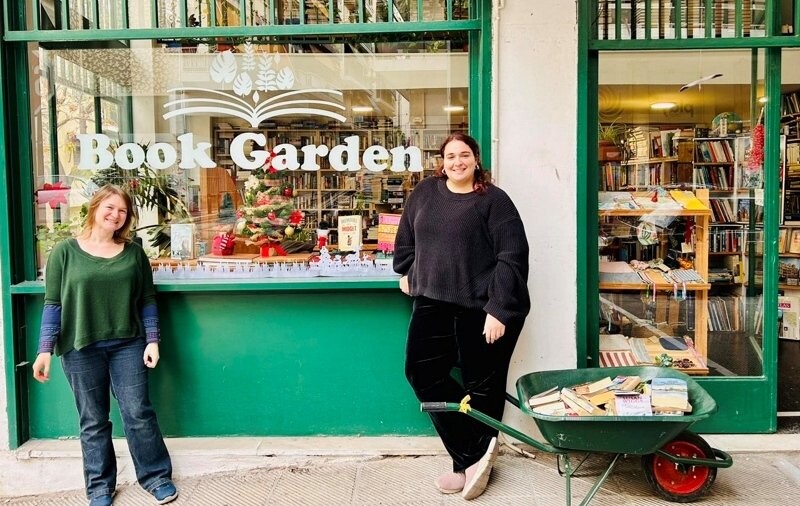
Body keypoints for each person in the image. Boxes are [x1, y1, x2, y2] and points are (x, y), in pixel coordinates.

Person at [393, 133, 530, 500]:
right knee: (422, 372)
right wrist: (408, 271)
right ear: (442, 161)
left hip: (481, 308)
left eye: (464, 155)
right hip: (432, 301)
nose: (457, 162)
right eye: (451, 156)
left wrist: (499, 309)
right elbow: (406, 238)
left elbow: (512, 257)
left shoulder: (494, 201)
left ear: (475, 160)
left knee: (481, 385)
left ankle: (465, 467)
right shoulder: (424, 193)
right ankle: (475, 453)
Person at [31, 185, 178, 506]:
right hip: (80, 347)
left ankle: (155, 476)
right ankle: (99, 487)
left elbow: (148, 300)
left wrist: (152, 341)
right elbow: (53, 303)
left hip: (128, 343)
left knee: (138, 413)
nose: (116, 215)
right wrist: (45, 349)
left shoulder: (133, 252)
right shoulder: (64, 252)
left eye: (122, 211)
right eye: (110, 208)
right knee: (93, 420)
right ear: (95, 208)